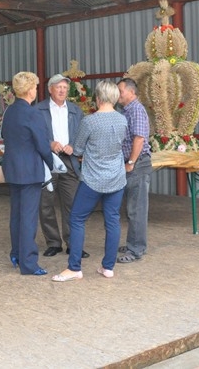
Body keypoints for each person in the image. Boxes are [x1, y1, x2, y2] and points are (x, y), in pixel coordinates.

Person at [53, 81, 127, 282]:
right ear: (114, 98)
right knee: (112, 220)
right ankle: (108, 267)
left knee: (77, 219)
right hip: (116, 178)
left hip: (93, 178)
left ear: (98, 98)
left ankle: (74, 267)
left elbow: (77, 149)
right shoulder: (122, 120)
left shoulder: (90, 121)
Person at [1, 71, 54, 276]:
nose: (36, 90)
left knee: (16, 215)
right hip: (30, 171)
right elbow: (42, 144)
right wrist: (51, 163)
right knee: (28, 218)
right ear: (30, 90)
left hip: (12, 168)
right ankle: (29, 263)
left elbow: (5, 134)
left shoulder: (10, 111)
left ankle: (15, 254)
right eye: (35, 87)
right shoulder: (33, 113)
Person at [35, 74, 88, 259]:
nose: (62, 90)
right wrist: (49, 143)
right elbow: (34, 135)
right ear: (50, 89)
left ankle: (73, 244)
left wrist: (74, 146)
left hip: (69, 160)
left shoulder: (75, 110)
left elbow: (82, 134)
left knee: (72, 203)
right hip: (47, 160)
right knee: (45, 203)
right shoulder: (39, 109)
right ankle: (53, 243)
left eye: (65, 88)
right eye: (58, 87)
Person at [116, 77, 152, 264]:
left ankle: (136, 249)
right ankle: (134, 243)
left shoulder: (136, 109)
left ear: (131, 92)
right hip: (133, 163)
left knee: (136, 209)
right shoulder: (126, 110)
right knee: (132, 207)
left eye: (120, 91)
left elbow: (139, 138)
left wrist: (130, 162)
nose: (118, 94)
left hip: (137, 164)